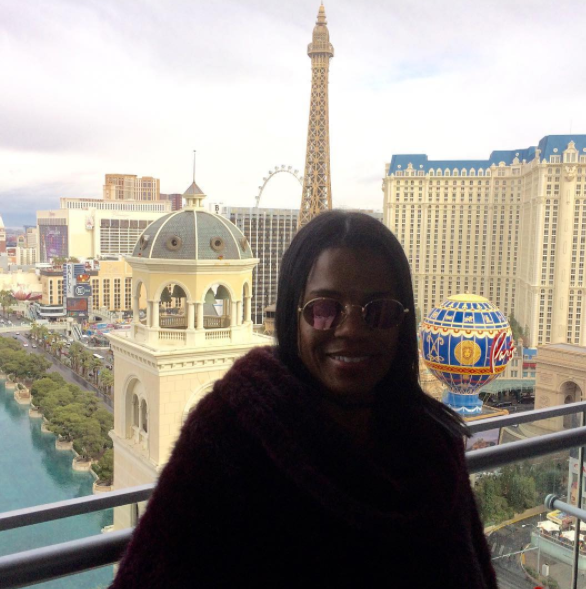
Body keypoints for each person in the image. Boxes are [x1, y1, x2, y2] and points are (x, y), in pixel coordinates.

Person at [110, 211, 497, 588]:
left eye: (379, 311)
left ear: (403, 322)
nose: (351, 330)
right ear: (292, 314)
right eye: (324, 310)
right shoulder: (228, 436)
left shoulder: (434, 444)